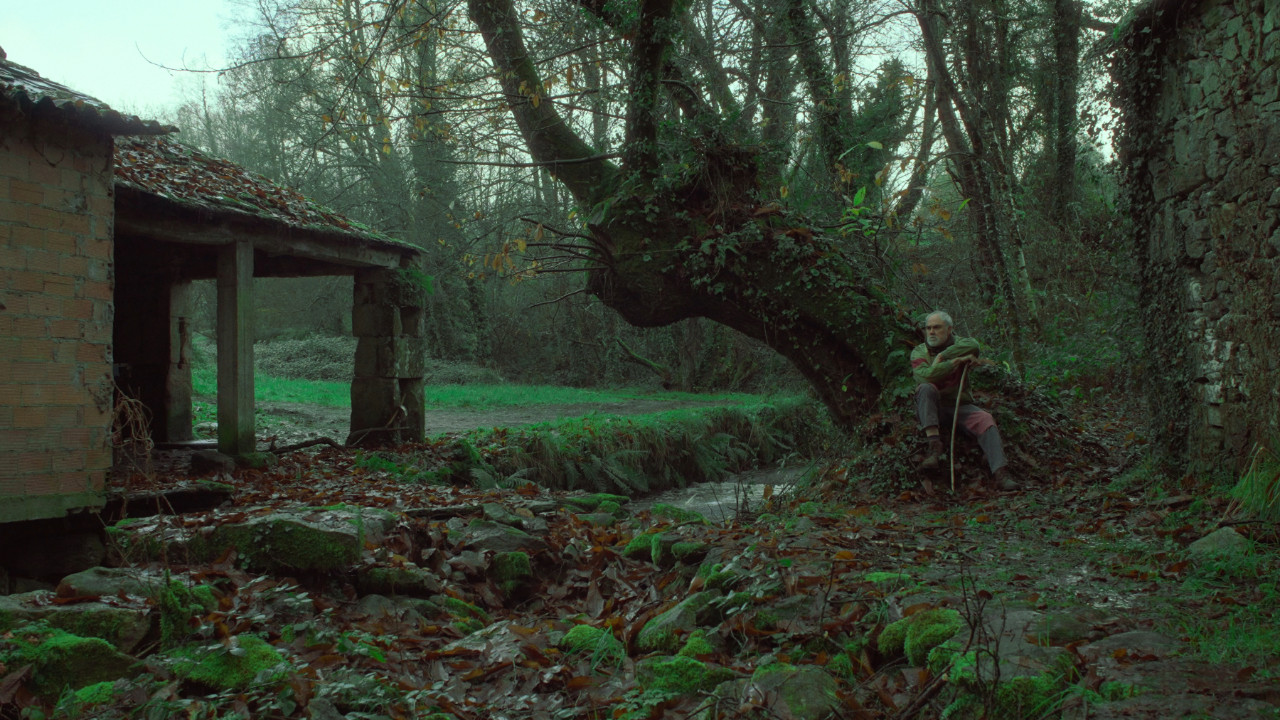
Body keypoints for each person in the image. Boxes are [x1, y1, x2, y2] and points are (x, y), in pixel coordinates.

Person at [911, 310, 1019, 491]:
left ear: (949, 329)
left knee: (985, 419)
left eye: (937, 327)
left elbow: (974, 346)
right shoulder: (919, 351)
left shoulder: (961, 343)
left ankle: (1001, 474)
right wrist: (953, 362)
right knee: (925, 388)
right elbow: (925, 376)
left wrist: (943, 356)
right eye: (928, 328)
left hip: (960, 406)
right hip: (933, 408)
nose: (931, 332)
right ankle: (934, 448)